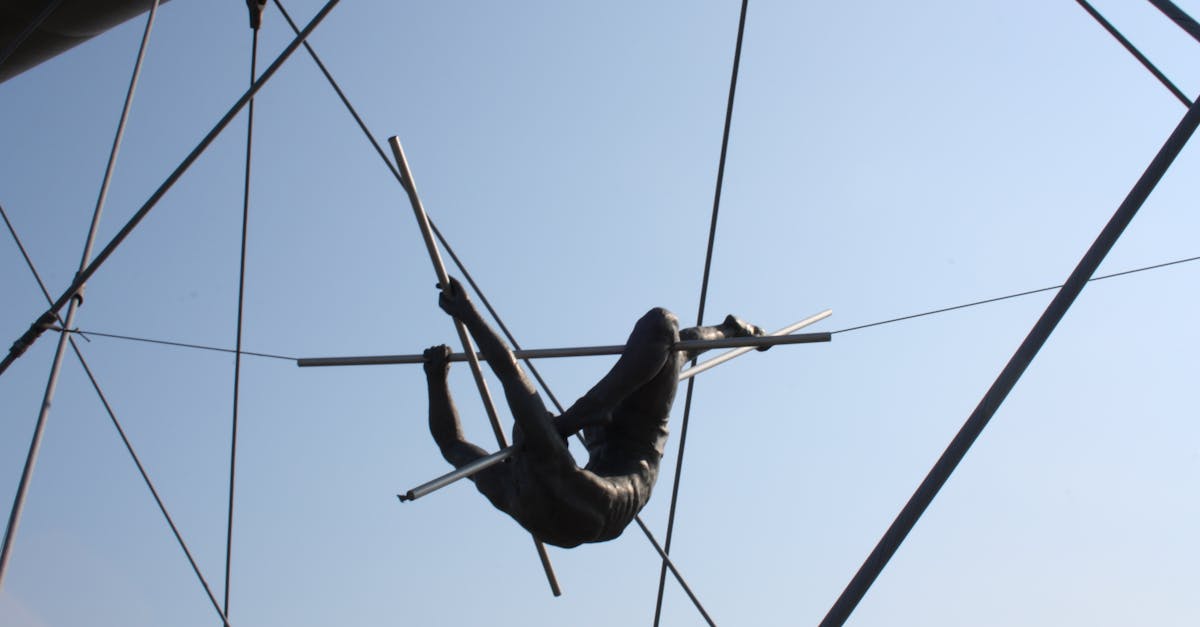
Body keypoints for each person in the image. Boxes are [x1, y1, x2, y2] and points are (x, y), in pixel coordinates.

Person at [424, 277, 765, 548]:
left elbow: (450, 442)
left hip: (594, 469)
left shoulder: (506, 487)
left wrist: (435, 378)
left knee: (672, 351)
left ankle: (731, 329)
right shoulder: (550, 469)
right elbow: (509, 373)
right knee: (663, 327)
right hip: (635, 456)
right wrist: (466, 313)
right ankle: (586, 414)